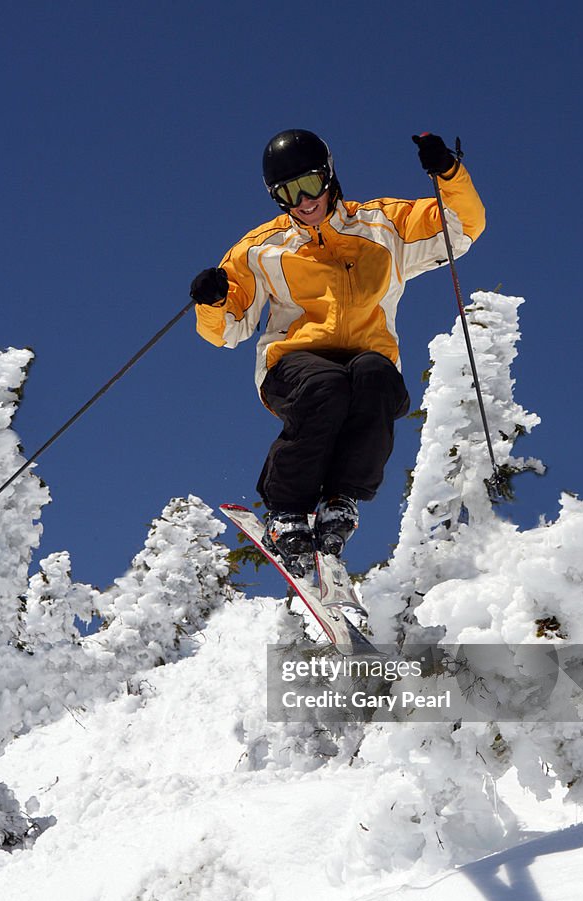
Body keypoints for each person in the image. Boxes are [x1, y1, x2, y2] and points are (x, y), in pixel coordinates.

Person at [191, 129, 485, 575]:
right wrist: (212, 302)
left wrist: (447, 173)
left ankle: (340, 501)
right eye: (289, 193)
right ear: (276, 197)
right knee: (326, 387)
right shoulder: (261, 249)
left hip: (368, 352)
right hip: (293, 362)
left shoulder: (382, 225)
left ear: (329, 177)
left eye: (310, 184)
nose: (304, 201)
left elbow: (462, 226)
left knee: (376, 380)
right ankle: (287, 509)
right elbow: (228, 328)